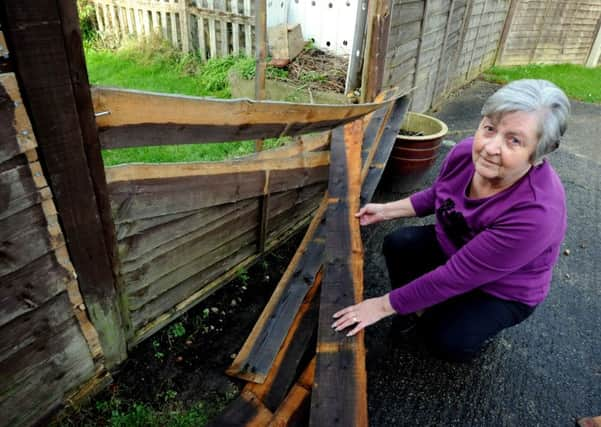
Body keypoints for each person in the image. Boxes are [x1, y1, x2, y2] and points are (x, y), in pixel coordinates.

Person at [331, 79, 571, 362]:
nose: (489, 148)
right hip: (457, 249)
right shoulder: (464, 153)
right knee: (399, 243)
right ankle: (417, 308)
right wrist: (385, 211)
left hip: (503, 288)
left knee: (447, 341)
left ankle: (464, 323)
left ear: (540, 152)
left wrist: (382, 306)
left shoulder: (535, 214)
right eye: (490, 128)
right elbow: (440, 194)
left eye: (514, 140)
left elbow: (458, 275)